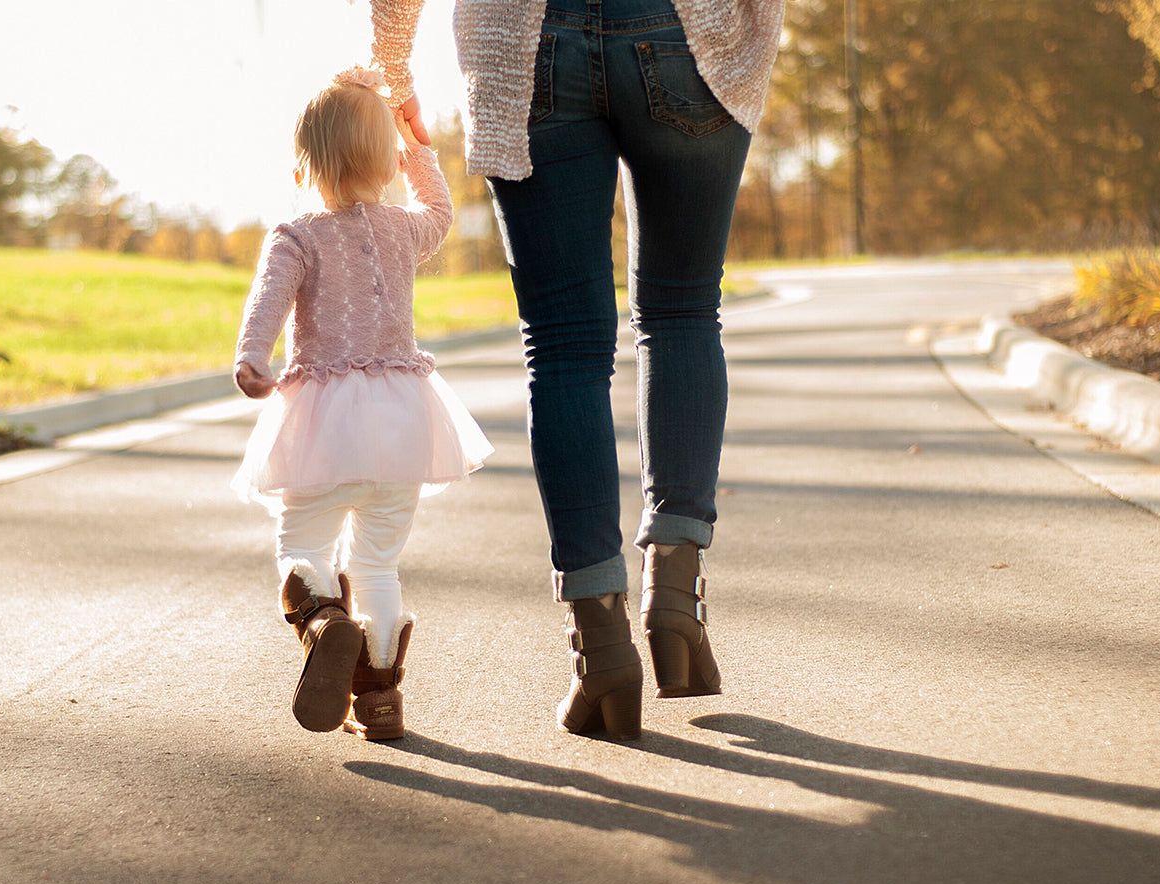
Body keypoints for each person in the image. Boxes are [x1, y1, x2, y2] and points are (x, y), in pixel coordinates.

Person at [371, 0, 783, 739]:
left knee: (564, 345)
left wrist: (393, 65)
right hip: (690, 34)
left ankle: (601, 647)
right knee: (684, 310)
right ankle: (676, 600)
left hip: (525, 49)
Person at [231, 66, 493, 740]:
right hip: (403, 423)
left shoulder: (297, 235)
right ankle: (378, 700)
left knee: (302, 541)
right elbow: (441, 212)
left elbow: (268, 304)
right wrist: (418, 147)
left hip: (323, 426)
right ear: (387, 162)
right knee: (376, 562)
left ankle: (324, 623)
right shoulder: (406, 229)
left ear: (305, 161)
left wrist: (253, 359)